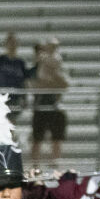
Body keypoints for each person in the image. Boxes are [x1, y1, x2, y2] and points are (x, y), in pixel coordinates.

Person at [28, 40, 68, 169]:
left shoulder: (57, 68)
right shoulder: (33, 70)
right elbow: (35, 86)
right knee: (37, 138)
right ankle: (35, 167)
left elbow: (64, 85)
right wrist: (52, 84)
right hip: (40, 107)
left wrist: (51, 79)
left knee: (57, 137)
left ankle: (55, 165)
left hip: (55, 107)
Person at [0, 33, 30, 124]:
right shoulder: (0, 60)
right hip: (2, 96)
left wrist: (25, 97)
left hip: (15, 97)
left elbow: (25, 81)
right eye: (10, 43)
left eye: (14, 43)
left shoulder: (20, 63)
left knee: (11, 122)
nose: (12, 45)